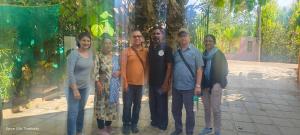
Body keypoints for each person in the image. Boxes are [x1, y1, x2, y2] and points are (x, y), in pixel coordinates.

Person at [171, 28, 203, 135]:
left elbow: (199, 69)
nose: (183, 38)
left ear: (189, 37)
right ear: (178, 39)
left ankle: (189, 132)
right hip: (176, 88)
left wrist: (198, 85)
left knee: (191, 112)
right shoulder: (176, 52)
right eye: (181, 36)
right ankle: (178, 129)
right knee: (175, 110)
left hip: (190, 89)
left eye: (185, 35)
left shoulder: (196, 51)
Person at [199, 34, 228, 135]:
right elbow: (200, 70)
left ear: (214, 42)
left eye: (210, 41)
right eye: (206, 41)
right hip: (205, 86)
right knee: (207, 108)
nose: (207, 42)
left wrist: (218, 83)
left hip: (215, 85)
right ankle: (208, 127)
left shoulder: (219, 54)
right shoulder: (203, 54)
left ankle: (217, 131)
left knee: (216, 108)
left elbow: (225, 70)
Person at [121, 29, 148, 134]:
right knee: (127, 105)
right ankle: (126, 124)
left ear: (141, 38)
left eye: (139, 36)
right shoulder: (126, 51)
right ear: (131, 39)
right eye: (134, 36)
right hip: (129, 85)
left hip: (140, 85)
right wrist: (125, 82)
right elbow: (123, 68)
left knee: (137, 106)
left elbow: (147, 67)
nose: (137, 38)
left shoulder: (146, 51)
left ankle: (134, 124)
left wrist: (145, 81)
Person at [66, 32, 93, 135]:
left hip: (85, 88)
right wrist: (75, 89)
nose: (86, 43)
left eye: (88, 41)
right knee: (73, 113)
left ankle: (79, 132)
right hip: (73, 88)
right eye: (84, 40)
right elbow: (70, 72)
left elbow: (90, 70)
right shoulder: (74, 54)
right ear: (79, 41)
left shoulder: (90, 54)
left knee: (81, 110)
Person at [94, 35, 121, 135]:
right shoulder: (98, 56)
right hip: (102, 85)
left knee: (111, 106)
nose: (108, 45)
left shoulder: (116, 56)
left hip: (113, 85)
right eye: (105, 43)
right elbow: (95, 71)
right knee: (100, 106)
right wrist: (98, 83)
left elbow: (120, 69)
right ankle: (101, 128)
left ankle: (108, 125)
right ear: (102, 44)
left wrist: (119, 72)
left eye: (110, 43)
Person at [148, 26, 172, 131]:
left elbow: (170, 66)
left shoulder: (167, 48)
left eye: (158, 33)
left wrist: (166, 82)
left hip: (162, 82)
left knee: (162, 104)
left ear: (162, 35)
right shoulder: (150, 48)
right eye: (154, 34)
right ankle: (155, 121)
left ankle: (163, 124)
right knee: (153, 103)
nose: (155, 35)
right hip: (151, 82)